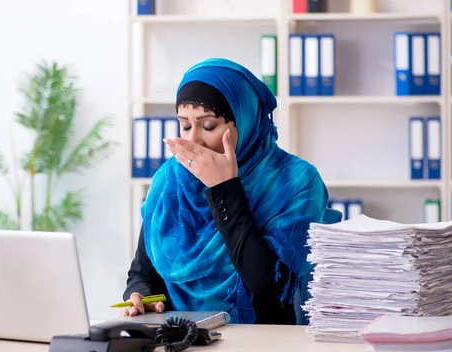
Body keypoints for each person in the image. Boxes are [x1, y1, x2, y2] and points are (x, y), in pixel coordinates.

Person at [122, 58, 329, 325]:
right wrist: (140, 296)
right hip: (180, 341)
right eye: (185, 125)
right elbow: (142, 273)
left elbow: (272, 287)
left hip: (266, 346)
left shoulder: (297, 181)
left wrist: (224, 189)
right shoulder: (170, 180)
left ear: (244, 120)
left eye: (208, 126)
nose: (193, 139)